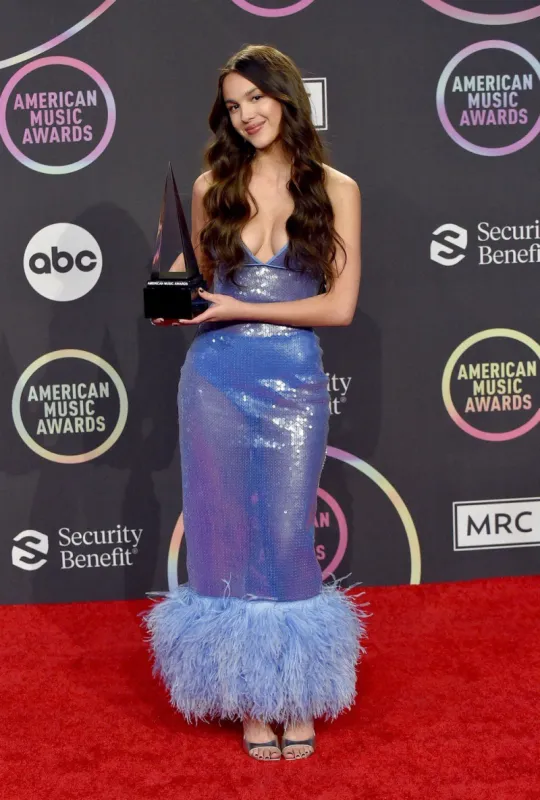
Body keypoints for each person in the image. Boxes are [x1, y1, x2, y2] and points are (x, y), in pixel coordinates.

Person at [141, 43, 367, 762]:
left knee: (287, 536)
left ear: (287, 97)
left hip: (293, 382)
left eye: (256, 99)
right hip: (215, 382)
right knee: (225, 536)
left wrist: (236, 303)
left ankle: (294, 691)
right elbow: (198, 290)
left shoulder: (337, 188)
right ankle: (248, 699)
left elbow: (339, 308)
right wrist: (174, 294)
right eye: (234, 107)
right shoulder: (213, 187)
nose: (246, 116)